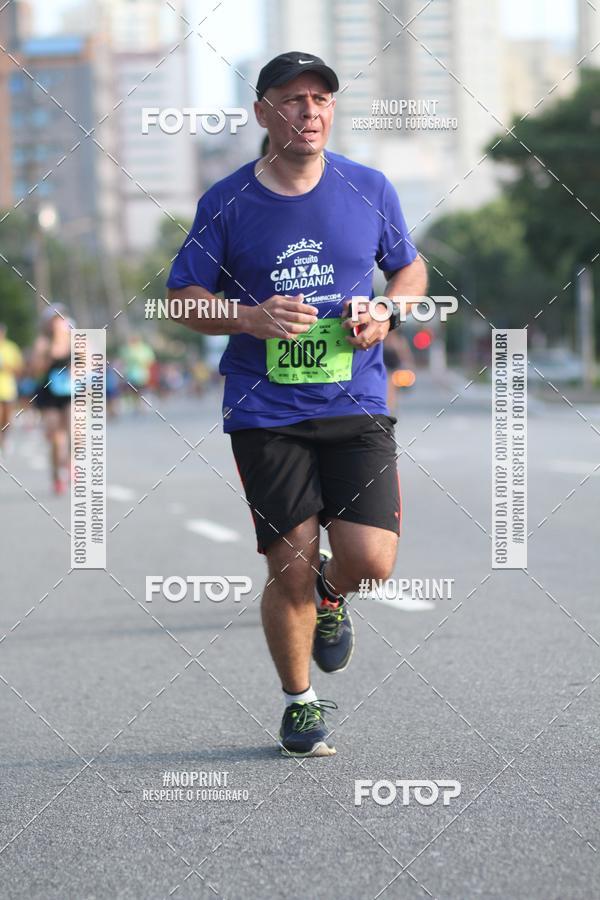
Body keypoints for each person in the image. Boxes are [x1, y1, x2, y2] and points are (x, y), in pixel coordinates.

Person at [167, 51, 427, 757]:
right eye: (292, 99)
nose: (309, 110)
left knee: (371, 560)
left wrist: (389, 310)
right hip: (264, 410)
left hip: (357, 399)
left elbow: (408, 266)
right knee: (288, 564)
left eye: (320, 98)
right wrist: (248, 317)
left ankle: (334, 596)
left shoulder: (368, 186)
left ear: (331, 110)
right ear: (262, 113)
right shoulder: (225, 201)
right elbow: (180, 297)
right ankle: (300, 701)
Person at [30, 306, 73, 494]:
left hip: (71, 392)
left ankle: (70, 462)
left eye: (61, 319)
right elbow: (35, 371)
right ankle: (57, 475)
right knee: (56, 437)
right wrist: (50, 354)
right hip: (49, 394)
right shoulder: (42, 343)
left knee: (74, 430)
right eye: (54, 320)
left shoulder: (75, 341)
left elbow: (91, 364)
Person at [0, 323, 24, 459]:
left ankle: (5, 438)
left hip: (8, 389)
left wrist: (7, 367)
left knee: (6, 419)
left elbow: (19, 369)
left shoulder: (11, 348)